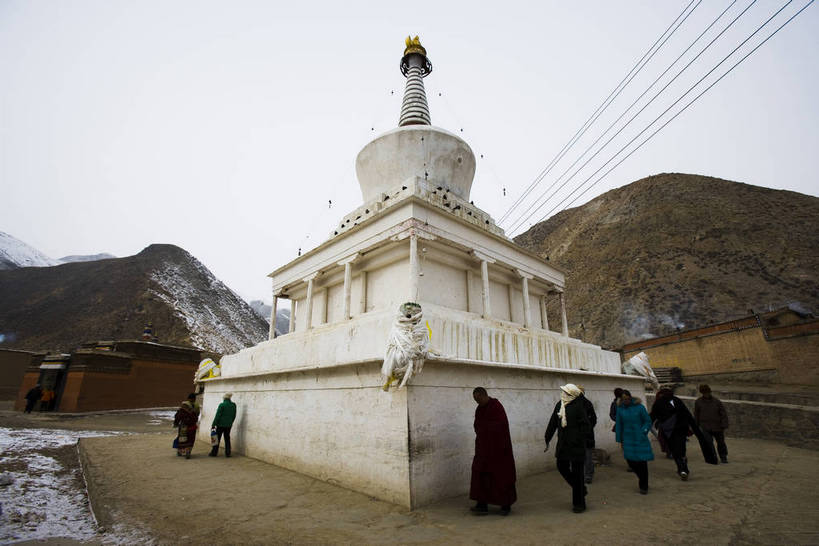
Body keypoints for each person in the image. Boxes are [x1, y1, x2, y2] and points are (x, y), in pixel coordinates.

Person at [544, 384, 592, 513]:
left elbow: (586, 426)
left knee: (578, 474)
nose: (563, 393)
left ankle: (579, 504)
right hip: (563, 445)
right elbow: (553, 422)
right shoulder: (560, 405)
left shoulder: (578, 407)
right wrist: (547, 438)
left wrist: (577, 438)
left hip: (576, 446)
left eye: (566, 392)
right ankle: (581, 489)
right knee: (561, 466)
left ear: (572, 394)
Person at [469, 387, 517, 516]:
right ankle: (481, 504)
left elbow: (501, 426)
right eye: (475, 400)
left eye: (478, 399)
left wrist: (486, 429)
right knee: (479, 474)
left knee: (501, 476)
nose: (477, 402)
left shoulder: (496, 406)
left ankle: (505, 506)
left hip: (499, 449)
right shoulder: (479, 409)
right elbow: (477, 425)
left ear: (484, 395)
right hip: (483, 449)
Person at [650, 387, 698, 480]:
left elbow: (652, 416)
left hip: (676, 430)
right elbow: (653, 416)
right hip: (674, 430)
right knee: (678, 450)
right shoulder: (667, 402)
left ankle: (683, 469)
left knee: (678, 451)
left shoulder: (673, 401)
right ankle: (683, 469)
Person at [615, 389, 654, 494]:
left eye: (627, 399)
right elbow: (619, 424)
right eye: (623, 399)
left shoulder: (640, 408)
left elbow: (647, 421)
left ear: (630, 398)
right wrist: (619, 438)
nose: (626, 401)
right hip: (627, 438)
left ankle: (643, 486)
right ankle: (641, 478)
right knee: (631, 462)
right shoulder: (620, 409)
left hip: (640, 437)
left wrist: (644, 431)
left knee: (642, 463)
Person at [694, 384, 729, 463]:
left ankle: (723, 457)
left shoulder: (717, 401)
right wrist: (696, 426)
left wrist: (724, 424)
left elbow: (723, 414)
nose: (706, 394)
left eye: (707, 392)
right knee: (709, 443)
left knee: (721, 443)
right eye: (704, 393)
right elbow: (696, 415)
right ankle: (713, 458)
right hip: (705, 426)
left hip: (718, 426)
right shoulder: (698, 402)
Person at [577, 386, 598, 484]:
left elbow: (593, 419)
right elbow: (594, 419)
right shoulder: (587, 403)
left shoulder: (583, 404)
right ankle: (588, 474)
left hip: (583, 435)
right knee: (587, 455)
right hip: (586, 434)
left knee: (586, 455)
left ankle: (588, 474)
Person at [209, 392, 237, 457]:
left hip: (220, 425)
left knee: (216, 438)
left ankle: (214, 452)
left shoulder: (222, 405)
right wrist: (231, 422)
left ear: (224, 398)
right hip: (228, 425)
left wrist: (213, 424)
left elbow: (217, 415)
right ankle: (228, 452)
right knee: (227, 438)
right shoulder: (233, 405)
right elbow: (234, 415)